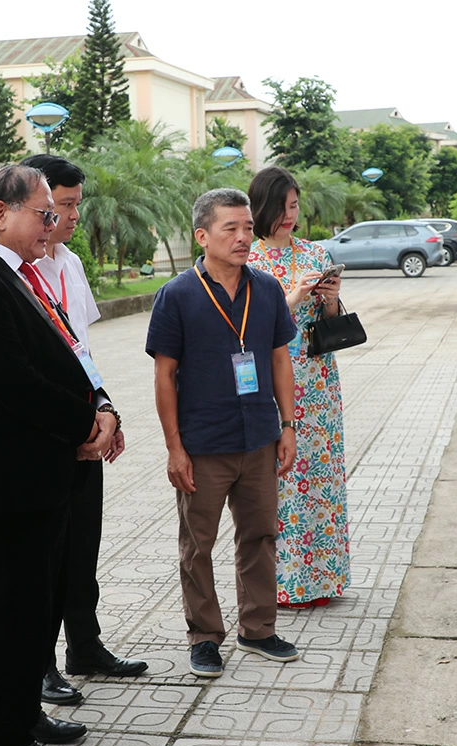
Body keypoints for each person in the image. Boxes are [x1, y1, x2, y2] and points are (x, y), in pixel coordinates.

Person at [0, 165, 117, 746]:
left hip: (46, 473)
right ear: (0, 214)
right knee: (14, 615)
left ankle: (26, 715)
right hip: (9, 479)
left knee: (37, 608)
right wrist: (82, 423)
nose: (54, 224)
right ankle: (5, 740)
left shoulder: (23, 275)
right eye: (44, 214)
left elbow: (70, 355)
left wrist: (103, 405)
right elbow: (13, 382)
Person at [146, 188, 301, 678]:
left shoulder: (267, 289)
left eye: (248, 228)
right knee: (199, 544)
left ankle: (258, 628)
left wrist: (289, 425)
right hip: (203, 441)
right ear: (202, 235)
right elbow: (164, 375)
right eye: (230, 228)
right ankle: (205, 637)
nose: (242, 237)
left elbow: (280, 358)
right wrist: (175, 447)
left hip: (258, 435)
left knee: (260, 535)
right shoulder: (177, 295)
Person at [19, 154, 146, 709]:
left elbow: (84, 352)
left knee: (83, 546)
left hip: (86, 425)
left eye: (73, 205)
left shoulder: (69, 265)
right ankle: (40, 665)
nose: (69, 216)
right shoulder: (16, 273)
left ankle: (85, 646)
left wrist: (107, 408)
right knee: (45, 557)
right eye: (60, 206)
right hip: (45, 435)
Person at [245, 166, 350, 608]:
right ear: (263, 207)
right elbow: (250, 327)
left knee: (322, 477)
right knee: (284, 483)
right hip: (274, 383)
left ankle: (325, 580)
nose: (291, 215)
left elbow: (333, 325)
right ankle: (286, 584)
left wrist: (327, 299)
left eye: (295, 206)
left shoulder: (315, 253)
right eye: (283, 207)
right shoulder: (248, 260)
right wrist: (291, 298)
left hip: (319, 383)